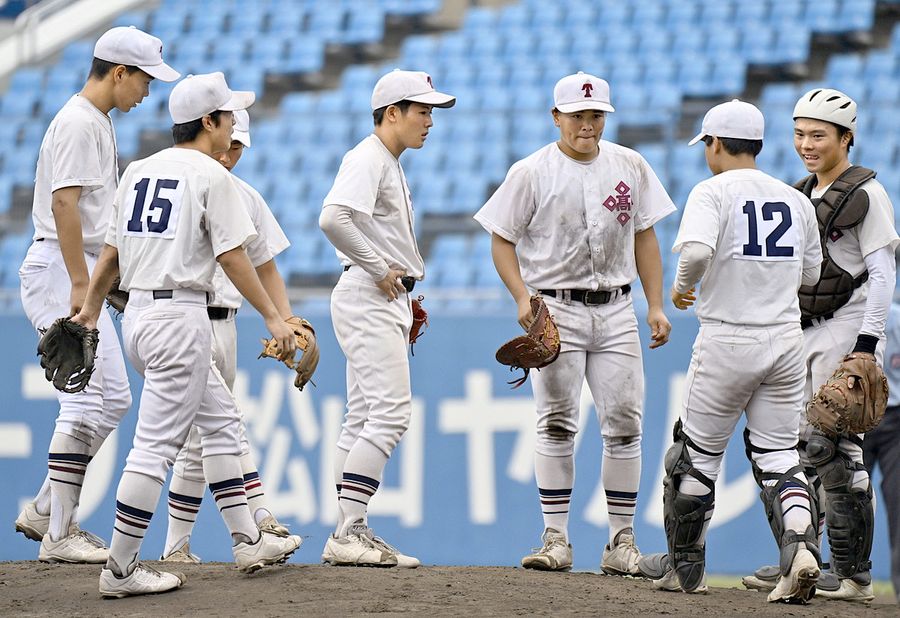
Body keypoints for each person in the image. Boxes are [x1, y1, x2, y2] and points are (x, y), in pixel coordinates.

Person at [69, 72, 301, 598]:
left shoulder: (139, 169)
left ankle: (247, 540)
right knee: (153, 449)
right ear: (208, 121)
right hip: (180, 319)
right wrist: (273, 317)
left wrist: (89, 312)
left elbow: (111, 255)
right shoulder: (211, 175)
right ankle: (121, 569)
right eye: (228, 116)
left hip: (138, 317)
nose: (233, 124)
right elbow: (232, 257)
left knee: (222, 423)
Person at [473, 72, 674, 574]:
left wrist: (655, 304)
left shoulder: (630, 164)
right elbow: (501, 239)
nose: (587, 124)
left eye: (596, 115)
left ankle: (620, 542)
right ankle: (556, 539)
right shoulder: (531, 171)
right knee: (557, 423)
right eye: (577, 115)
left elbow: (645, 236)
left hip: (617, 307)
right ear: (556, 116)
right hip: (557, 308)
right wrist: (521, 295)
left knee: (624, 425)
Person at [636, 100, 823, 603]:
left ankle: (685, 568)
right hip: (785, 339)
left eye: (707, 144)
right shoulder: (795, 199)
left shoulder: (712, 190)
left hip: (728, 338)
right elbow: (811, 274)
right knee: (780, 456)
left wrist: (681, 287)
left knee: (695, 457)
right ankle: (801, 550)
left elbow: (697, 252)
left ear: (715, 143)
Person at [14, 26, 180, 564]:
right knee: (86, 397)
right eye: (144, 80)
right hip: (61, 267)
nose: (147, 92)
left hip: (78, 266)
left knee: (113, 399)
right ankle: (60, 532)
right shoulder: (79, 121)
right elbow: (64, 204)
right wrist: (82, 285)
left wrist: (107, 283)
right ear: (119, 72)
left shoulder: (96, 120)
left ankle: (46, 509)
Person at [742, 88, 899, 602]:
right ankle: (802, 558)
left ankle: (853, 576)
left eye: (818, 135)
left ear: (846, 138)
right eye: (800, 134)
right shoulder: (801, 193)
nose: (806, 144)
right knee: (799, 449)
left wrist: (866, 344)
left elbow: (882, 273)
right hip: (802, 327)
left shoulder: (867, 194)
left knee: (835, 449)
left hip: (847, 324)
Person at [318, 69, 455, 567]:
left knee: (361, 416)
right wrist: (379, 269)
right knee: (391, 413)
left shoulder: (386, 160)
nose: (430, 121)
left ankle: (347, 530)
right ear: (391, 113)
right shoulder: (369, 156)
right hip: (368, 290)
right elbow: (332, 218)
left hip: (379, 292)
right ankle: (349, 532)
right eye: (422, 111)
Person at [160, 108, 294, 564]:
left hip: (226, 323)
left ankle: (178, 546)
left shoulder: (245, 196)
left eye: (239, 147)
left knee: (202, 438)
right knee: (220, 426)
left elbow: (266, 265)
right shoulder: (182, 185)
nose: (230, 154)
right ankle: (258, 521)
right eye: (229, 142)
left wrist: (288, 319)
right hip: (187, 319)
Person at [862, 291, 900, 602]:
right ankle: (843, 578)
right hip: (856, 419)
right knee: (844, 499)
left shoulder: (895, 317)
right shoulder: (844, 314)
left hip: (894, 421)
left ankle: (845, 578)